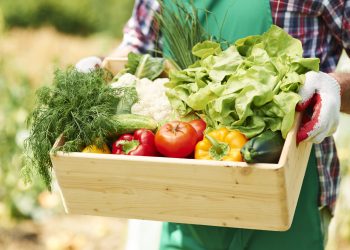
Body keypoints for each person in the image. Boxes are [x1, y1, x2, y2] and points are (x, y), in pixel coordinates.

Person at [76, 0, 350, 249]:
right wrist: (100, 68)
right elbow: (137, 48)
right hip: (181, 202)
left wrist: (335, 86)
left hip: (290, 197)